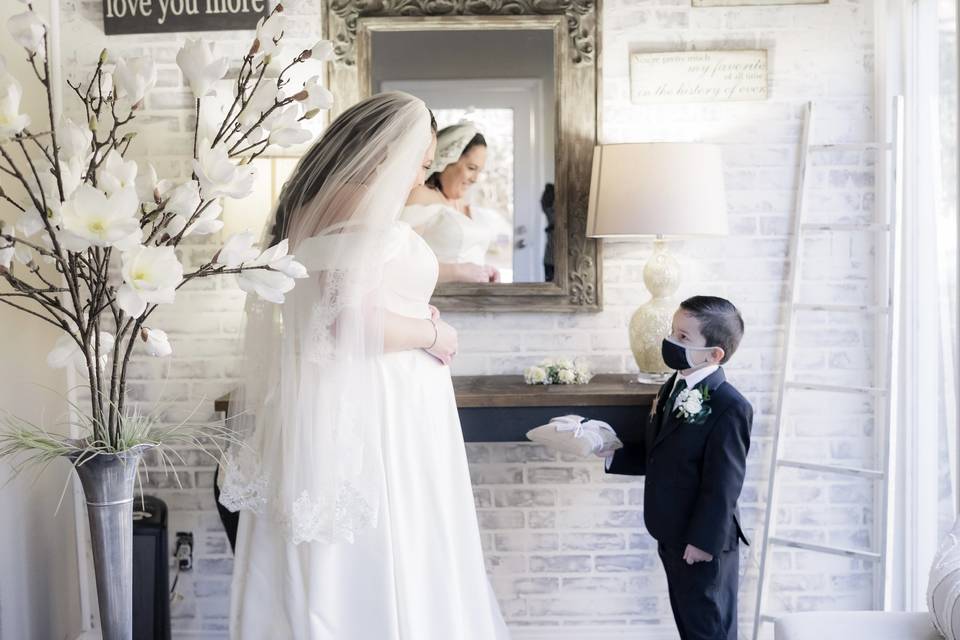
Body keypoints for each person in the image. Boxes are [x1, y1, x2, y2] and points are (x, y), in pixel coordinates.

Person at [217, 92, 510, 640]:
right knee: (384, 545)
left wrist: (444, 277)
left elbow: (347, 287)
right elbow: (347, 320)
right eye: (419, 164)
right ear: (382, 153)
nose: (419, 177)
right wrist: (434, 333)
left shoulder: (314, 202)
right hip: (379, 406)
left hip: (329, 396)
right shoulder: (361, 206)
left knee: (329, 557)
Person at [600, 295, 753, 640]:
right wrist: (609, 452)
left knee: (709, 627)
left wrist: (702, 543)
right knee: (689, 624)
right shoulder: (673, 385)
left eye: (683, 338)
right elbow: (662, 455)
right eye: (672, 331)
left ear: (715, 354)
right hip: (671, 535)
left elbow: (724, 486)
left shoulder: (730, 406)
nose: (670, 342)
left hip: (702, 543)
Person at [402, 122, 500, 283]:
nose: (475, 179)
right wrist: (456, 271)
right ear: (447, 160)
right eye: (471, 168)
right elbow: (397, 260)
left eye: (479, 171)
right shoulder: (422, 195)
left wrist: (485, 271)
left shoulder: (463, 203)